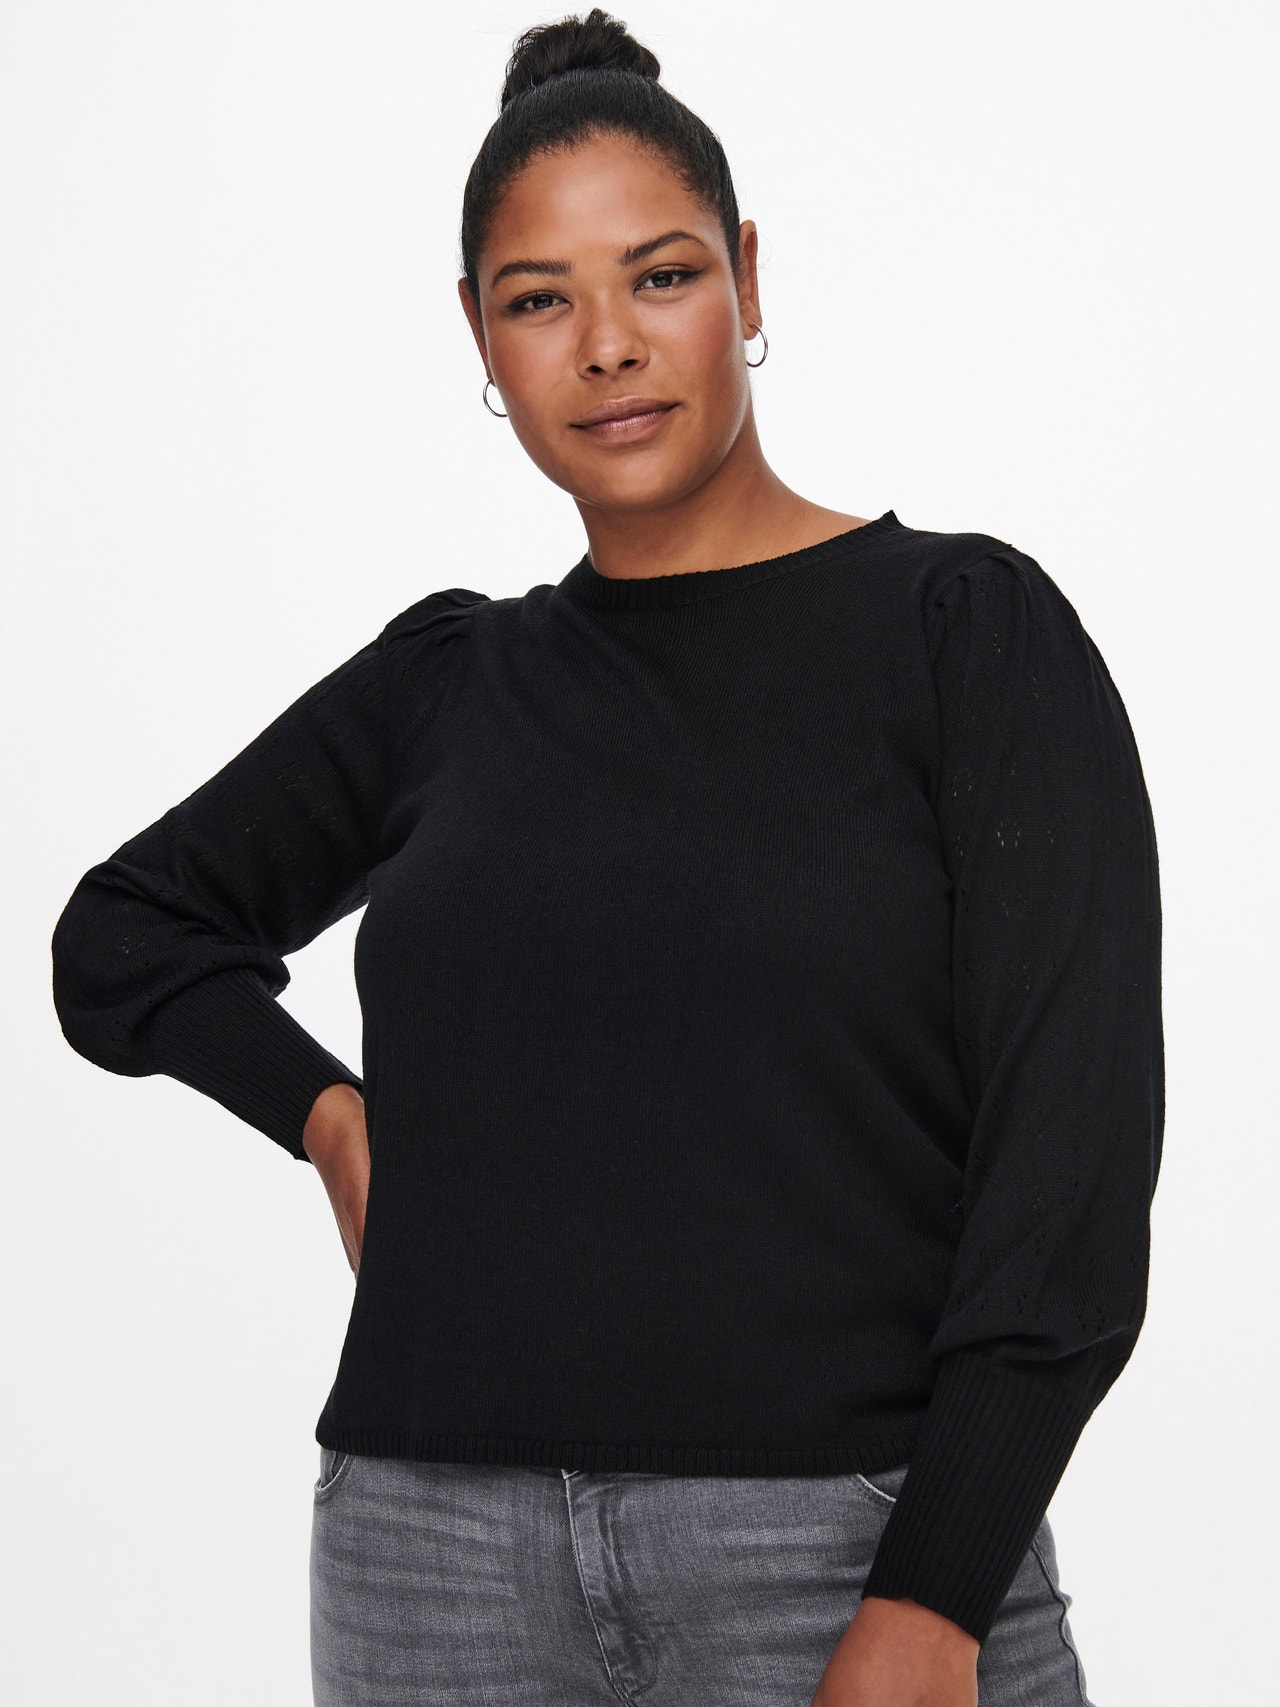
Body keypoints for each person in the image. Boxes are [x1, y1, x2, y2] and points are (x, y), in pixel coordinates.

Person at [50, 10, 1163, 1706]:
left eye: (660, 277)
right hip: (431, 1567)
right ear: (480, 341)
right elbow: (124, 936)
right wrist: (330, 1118)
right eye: (539, 301)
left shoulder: (961, 634)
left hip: (843, 1550)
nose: (608, 348)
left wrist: (937, 1592)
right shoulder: (451, 681)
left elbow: (1068, 1163)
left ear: (748, 281)